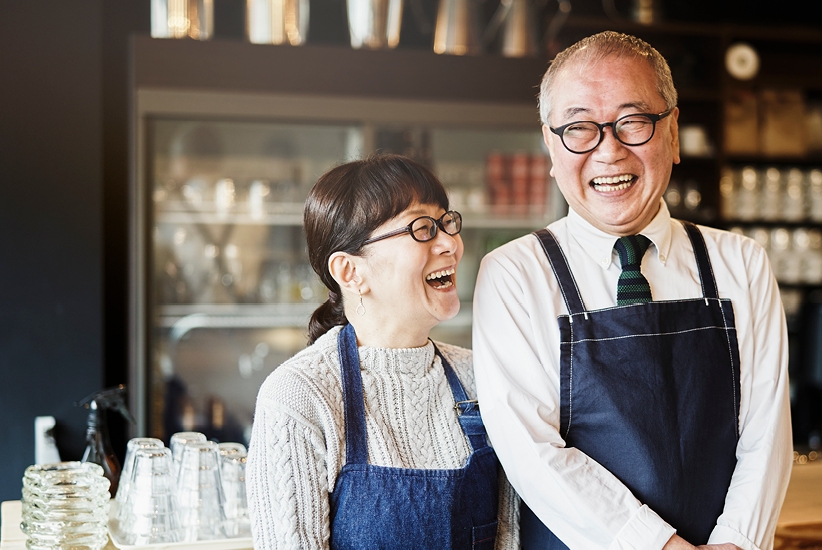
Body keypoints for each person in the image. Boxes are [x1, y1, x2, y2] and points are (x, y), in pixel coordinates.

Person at [472, 31, 792, 550]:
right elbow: (532, 453)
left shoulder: (741, 264)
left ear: (673, 133)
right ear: (551, 147)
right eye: (578, 128)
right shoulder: (514, 275)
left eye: (633, 121)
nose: (609, 151)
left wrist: (736, 541)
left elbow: (768, 433)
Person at [247, 154, 519, 549]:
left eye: (446, 222)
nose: (450, 244)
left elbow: (508, 538)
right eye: (422, 228)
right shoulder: (300, 397)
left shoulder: (481, 377)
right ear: (350, 272)